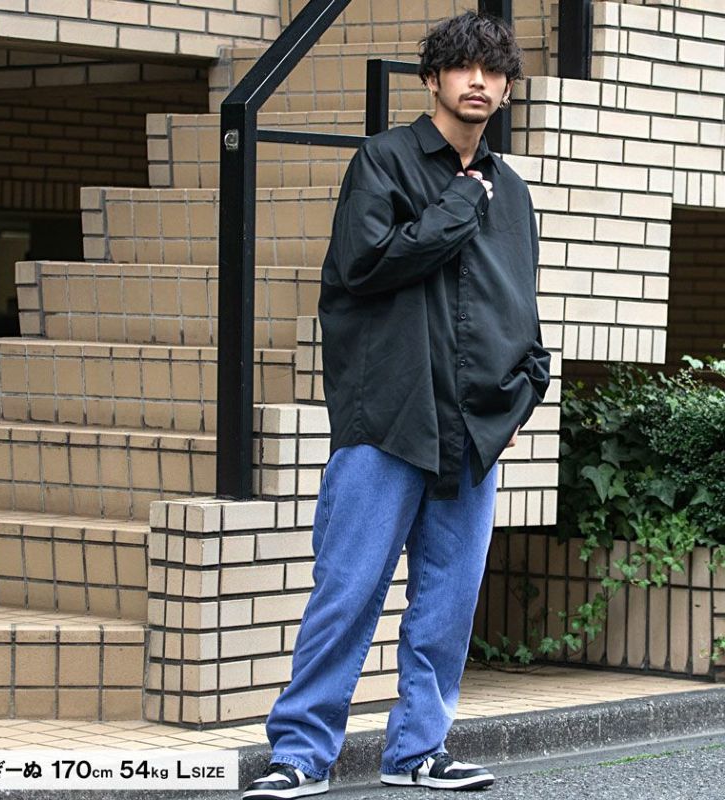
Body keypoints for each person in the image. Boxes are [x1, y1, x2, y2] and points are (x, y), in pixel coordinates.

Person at [243, 10, 551, 798]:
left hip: (473, 429)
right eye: (463, 67)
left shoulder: (513, 191)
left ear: (507, 88)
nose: (479, 81)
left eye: (494, 71)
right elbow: (363, 267)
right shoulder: (384, 161)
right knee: (348, 592)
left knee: (448, 601)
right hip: (389, 417)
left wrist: (522, 391)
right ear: (433, 79)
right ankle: (300, 755)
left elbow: (516, 303)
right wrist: (455, 208)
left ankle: (419, 751)